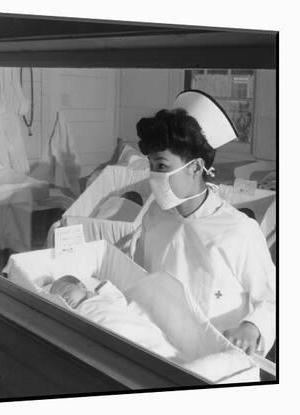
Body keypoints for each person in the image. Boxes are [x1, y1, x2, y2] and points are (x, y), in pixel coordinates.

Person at [132, 90, 275, 363]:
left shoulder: (238, 230)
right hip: (158, 346)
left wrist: (251, 327)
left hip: (215, 358)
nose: (154, 176)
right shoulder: (155, 215)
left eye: (161, 166)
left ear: (196, 168)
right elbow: (140, 275)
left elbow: (273, 299)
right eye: (150, 165)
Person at [49, 276, 178, 358]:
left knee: (154, 341)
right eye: (60, 297)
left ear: (82, 286)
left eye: (66, 291)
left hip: (131, 327)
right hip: (112, 339)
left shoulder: (103, 297)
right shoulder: (74, 312)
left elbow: (119, 298)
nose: (64, 298)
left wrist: (104, 286)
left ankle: (167, 354)